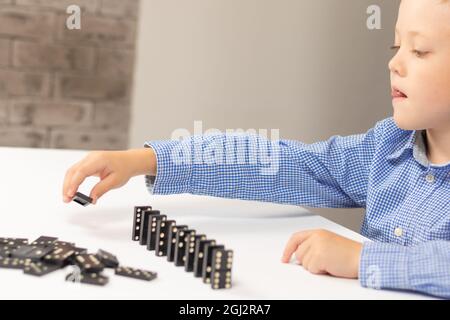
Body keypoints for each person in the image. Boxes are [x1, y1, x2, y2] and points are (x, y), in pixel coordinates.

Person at [62, 0, 450, 298]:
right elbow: (281, 163)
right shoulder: (386, 146)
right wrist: (147, 160)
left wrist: (361, 259)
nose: (394, 63)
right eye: (395, 45)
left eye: (419, 51)